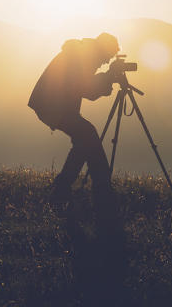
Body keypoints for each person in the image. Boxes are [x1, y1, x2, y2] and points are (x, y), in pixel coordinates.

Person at [28, 33, 120, 215]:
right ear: (103, 50)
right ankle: (96, 188)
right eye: (107, 57)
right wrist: (108, 77)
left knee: (85, 139)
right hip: (52, 105)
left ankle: (80, 189)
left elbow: (85, 88)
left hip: (52, 104)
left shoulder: (83, 53)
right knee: (87, 134)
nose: (105, 62)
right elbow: (85, 88)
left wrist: (106, 78)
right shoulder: (82, 56)